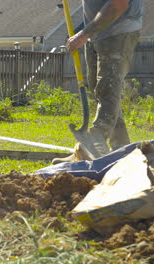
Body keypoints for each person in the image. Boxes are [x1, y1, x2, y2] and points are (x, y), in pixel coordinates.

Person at [53, 0, 143, 164]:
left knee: (108, 90)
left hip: (118, 31)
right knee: (100, 91)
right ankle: (122, 149)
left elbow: (118, 5)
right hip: (97, 34)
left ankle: (91, 148)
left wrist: (83, 34)